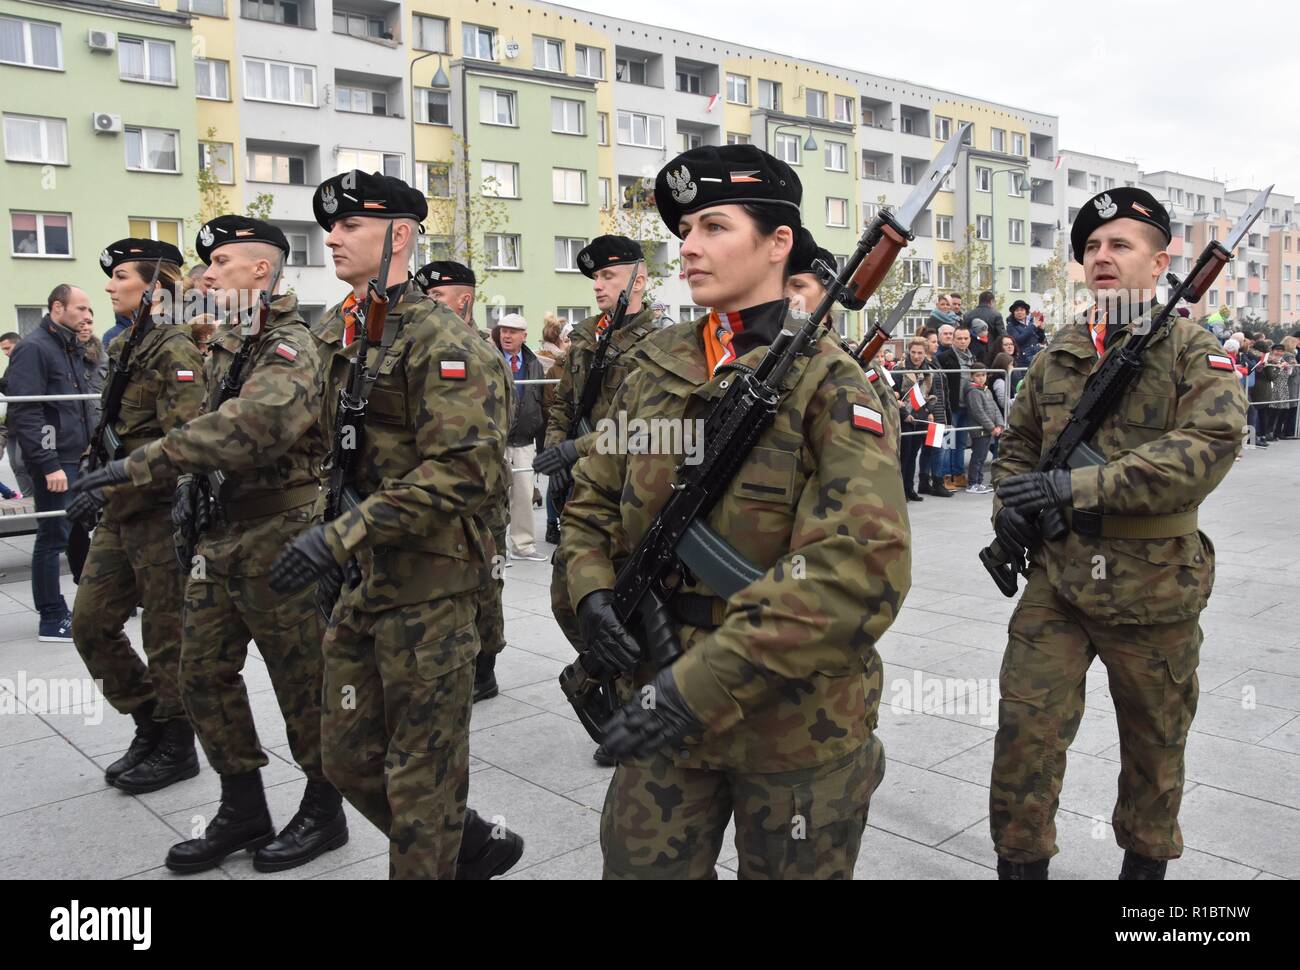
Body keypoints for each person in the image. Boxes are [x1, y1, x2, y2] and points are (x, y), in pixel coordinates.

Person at [563, 143, 910, 879]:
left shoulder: (830, 386)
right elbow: (591, 498)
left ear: (778, 243)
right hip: (658, 695)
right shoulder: (652, 368)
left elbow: (858, 572)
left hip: (794, 722)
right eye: (683, 231)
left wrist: (693, 690)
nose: (688, 247)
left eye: (714, 226)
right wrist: (591, 591)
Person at [267, 170, 523, 879]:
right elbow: (331, 451)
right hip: (361, 583)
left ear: (400, 237)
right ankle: (464, 842)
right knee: (345, 757)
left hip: (431, 587)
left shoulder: (445, 343)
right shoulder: (337, 331)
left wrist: (340, 534)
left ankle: (437, 844)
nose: (334, 237)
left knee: (421, 778)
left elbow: (465, 471)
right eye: (332, 225)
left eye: (352, 225)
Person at [74, 219, 349, 873]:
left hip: (280, 536)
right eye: (206, 265)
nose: (206, 275)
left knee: (300, 685)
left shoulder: (291, 344)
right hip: (219, 535)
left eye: (221, 262)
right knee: (200, 677)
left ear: (261, 271)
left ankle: (323, 810)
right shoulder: (227, 343)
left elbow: (251, 427)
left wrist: (137, 465)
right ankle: (242, 806)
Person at [989, 187, 1246, 880]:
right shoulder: (1060, 352)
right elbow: (1016, 442)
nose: (1102, 256)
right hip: (1060, 577)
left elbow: (1207, 447)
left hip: (1156, 579)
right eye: (1092, 247)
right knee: (1024, 736)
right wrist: (1009, 506)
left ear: (1159, 261)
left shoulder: (1195, 350)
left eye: (1120, 245)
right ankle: (1020, 865)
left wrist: (1073, 486)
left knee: (1154, 749)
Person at [60, 241, 208, 798]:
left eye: (120, 276)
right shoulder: (126, 345)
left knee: (165, 636)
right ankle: (149, 719)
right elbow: (113, 429)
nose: (108, 286)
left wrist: (114, 479)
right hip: (117, 513)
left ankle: (176, 744)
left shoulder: (175, 349)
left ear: (153, 287)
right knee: (90, 624)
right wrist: (91, 476)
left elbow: (185, 444)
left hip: (156, 516)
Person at [534, 236, 658, 672]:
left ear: (638, 280)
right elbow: (563, 405)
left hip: (626, 487)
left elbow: (648, 428)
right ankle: (609, 677)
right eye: (595, 278)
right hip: (580, 484)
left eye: (609, 276)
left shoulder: (661, 345)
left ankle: (632, 697)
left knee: (622, 598)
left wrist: (578, 453)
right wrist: (557, 457)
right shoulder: (587, 337)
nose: (598, 286)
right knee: (567, 599)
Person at [414, 259, 512, 702]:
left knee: (485, 576)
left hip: (482, 488)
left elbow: (488, 430)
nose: (426, 305)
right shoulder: (429, 345)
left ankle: (484, 667)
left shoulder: (475, 350)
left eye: (435, 297)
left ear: (463, 300)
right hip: (446, 485)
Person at [5, 285, 95, 641]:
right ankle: (51, 617)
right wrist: (48, 463)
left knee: (76, 533)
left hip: (76, 458)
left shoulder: (68, 345)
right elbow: (27, 411)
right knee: (52, 537)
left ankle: (87, 603)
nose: (88, 316)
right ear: (58, 308)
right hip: (57, 462)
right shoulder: (33, 348)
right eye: (82, 308)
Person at [786, 226, 898, 443]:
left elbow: (886, 433)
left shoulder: (854, 364)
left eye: (798, 286)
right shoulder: (767, 353)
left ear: (828, 294)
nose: (788, 296)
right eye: (782, 287)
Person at [494, 314, 547, 562]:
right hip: (496, 440)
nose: (506, 335)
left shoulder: (535, 363)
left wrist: (544, 441)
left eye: (513, 331)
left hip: (525, 440)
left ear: (524, 336)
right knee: (493, 496)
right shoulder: (490, 358)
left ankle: (523, 546)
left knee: (524, 495)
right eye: (504, 330)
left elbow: (542, 402)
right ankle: (495, 551)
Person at [535, 314, 568, 546]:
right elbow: (547, 403)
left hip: (578, 433)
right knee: (555, 479)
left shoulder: (583, 366)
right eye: (568, 340)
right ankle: (551, 523)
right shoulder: (554, 370)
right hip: (557, 430)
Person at [935, 324, 976, 489]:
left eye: (966, 338)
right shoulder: (945, 357)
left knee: (961, 442)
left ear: (970, 339)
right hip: (951, 405)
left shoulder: (973, 357)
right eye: (959, 338)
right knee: (948, 442)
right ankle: (945, 475)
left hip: (967, 405)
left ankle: (958, 475)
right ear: (953, 339)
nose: (962, 341)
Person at [897, 338, 934, 501]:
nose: (916, 356)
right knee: (904, 455)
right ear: (908, 352)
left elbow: (929, 395)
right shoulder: (900, 369)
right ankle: (900, 491)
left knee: (913, 455)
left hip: (920, 417)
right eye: (913, 352)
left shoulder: (928, 371)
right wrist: (905, 414)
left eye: (920, 353)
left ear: (925, 354)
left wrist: (929, 411)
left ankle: (909, 488)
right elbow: (894, 394)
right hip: (904, 416)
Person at [963, 369, 1002, 493]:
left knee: (983, 456)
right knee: (978, 456)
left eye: (983, 375)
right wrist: (992, 427)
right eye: (978, 375)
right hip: (979, 429)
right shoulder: (973, 392)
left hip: (988, 430)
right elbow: (978, 412)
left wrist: (999, 425)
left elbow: (995, 408)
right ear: (972, 377)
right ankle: (973, 483)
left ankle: (979, 481)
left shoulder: (987, 390)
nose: (981, 378)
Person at [1007, 299, 1044, 368]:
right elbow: (1018, 340)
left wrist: (1041, 330)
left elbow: (1041, 340)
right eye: (1017, 310)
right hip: (1022, 360)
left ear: (1026, 312)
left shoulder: (1031, 323)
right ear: (1013, 313)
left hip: (1036, 357)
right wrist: (1033, 326)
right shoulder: (1011, 326)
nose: (1019, 312)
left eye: (1022, 310)